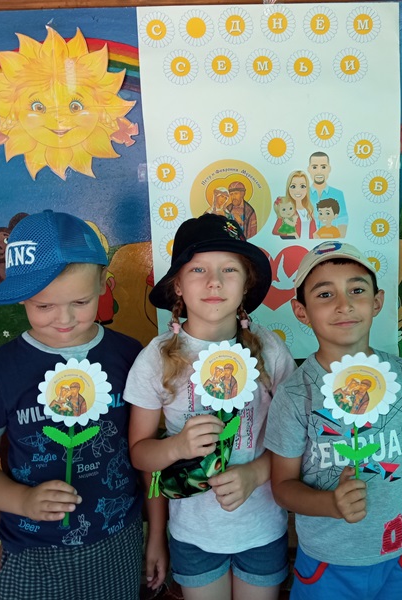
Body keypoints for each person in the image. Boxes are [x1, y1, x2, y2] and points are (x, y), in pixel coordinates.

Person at [0, 210, 166, 600]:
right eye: (44, 306)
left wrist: (156, 533)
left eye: (80, 301)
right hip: (32, 550)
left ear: (103, 282)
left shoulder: (129, 356)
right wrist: (23, 500)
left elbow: (146, 456)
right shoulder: (0, 370)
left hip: (117, 543)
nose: (64, 318)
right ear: (19, 294)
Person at [125, 213, 296, 600]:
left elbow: (294, 440)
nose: (214, 281)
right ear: (178, 285)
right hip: (192, 535)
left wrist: (255, 472)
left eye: (229, 269)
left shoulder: (270, 351)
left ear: (246, 283)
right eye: (198, 269)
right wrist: (177, 447)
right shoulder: (155, 359)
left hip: (262, 530)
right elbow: (140, 454)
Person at [265, 241, 402, 600]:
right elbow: (283, 487)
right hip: (327, 564)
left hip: (400, 555)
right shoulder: (296, 393)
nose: (344, 304)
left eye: (357, 290)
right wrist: (330, 504)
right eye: (325, 294)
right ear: (301, 311)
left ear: (377, 302)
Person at [308, 152, 347, 237]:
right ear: (309, 169)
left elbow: (343, 220)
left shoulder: (338, 194)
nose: (319, 171)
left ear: (329, 169)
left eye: (323, 167)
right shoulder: (303, 194)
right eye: (314, 167)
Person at [273, 170, 316, 240]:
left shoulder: (309, 209)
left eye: (302, 186)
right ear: (288, 188)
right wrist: (290, 234)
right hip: (294, 244)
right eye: (293, 186)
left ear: (307, 189)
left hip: (309, 244)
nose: (298, 190)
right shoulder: (287, 209)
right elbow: (275, 231)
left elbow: (314, 232)